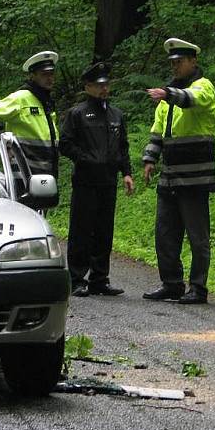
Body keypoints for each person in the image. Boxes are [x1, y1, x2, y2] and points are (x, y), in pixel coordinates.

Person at [141, 38, 215, 305]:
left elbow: (191, 100)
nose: (175, 66)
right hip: (170, 175)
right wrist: (149, 160)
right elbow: (157, 132)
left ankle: (198, 287)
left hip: (195, 176)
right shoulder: (167, 95)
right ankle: (172, 284)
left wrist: (169, 94)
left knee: (198, 236)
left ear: (193, 61)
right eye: (172, 62)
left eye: (179, 62)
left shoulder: (203, 86)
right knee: (164, 234)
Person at [60, 61, 134, 297]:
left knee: (104, 230)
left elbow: (123, 147)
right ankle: (77, 278)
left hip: (108, 181)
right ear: (88, 87)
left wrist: (127, 173)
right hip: (85, 181)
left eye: (106, 84)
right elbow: (65, 144)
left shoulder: (116, 115)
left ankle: (100, 278)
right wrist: (86, 159)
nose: (104, 89)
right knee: (82, 230)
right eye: (98, 85)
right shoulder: (78, 113)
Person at [0, 51, 60, 180]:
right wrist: (6, 147)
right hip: (24, 173)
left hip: (47, 171)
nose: (49, 78)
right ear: (33, 76)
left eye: (51, 74)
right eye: (44, 75)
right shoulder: (21, 97)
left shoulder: (46, 101)